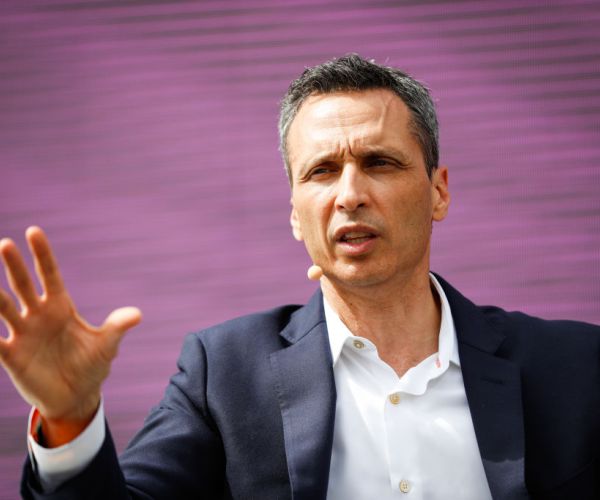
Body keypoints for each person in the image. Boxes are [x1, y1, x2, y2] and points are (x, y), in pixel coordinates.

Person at [0, 54, 598, 500]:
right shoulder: (223, 374)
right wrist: (70, 417)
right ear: (294, 213)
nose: (349, 195)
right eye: (321, 172)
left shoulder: (575, 367)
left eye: (379, 162)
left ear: (438, 191)